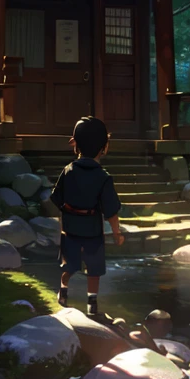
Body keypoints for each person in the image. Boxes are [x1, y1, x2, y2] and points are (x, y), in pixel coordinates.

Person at [50, 115, 124, 316]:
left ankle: (63, 292)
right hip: (92, 228)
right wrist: (117, 233)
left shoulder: (68, 171)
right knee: (94, 267)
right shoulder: (103, 177)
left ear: (75, 143)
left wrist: (66, 211)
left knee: (69, 264)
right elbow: (111, 210)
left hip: (71, 226)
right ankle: (92, 302)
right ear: (104, 146)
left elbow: (56, 197)